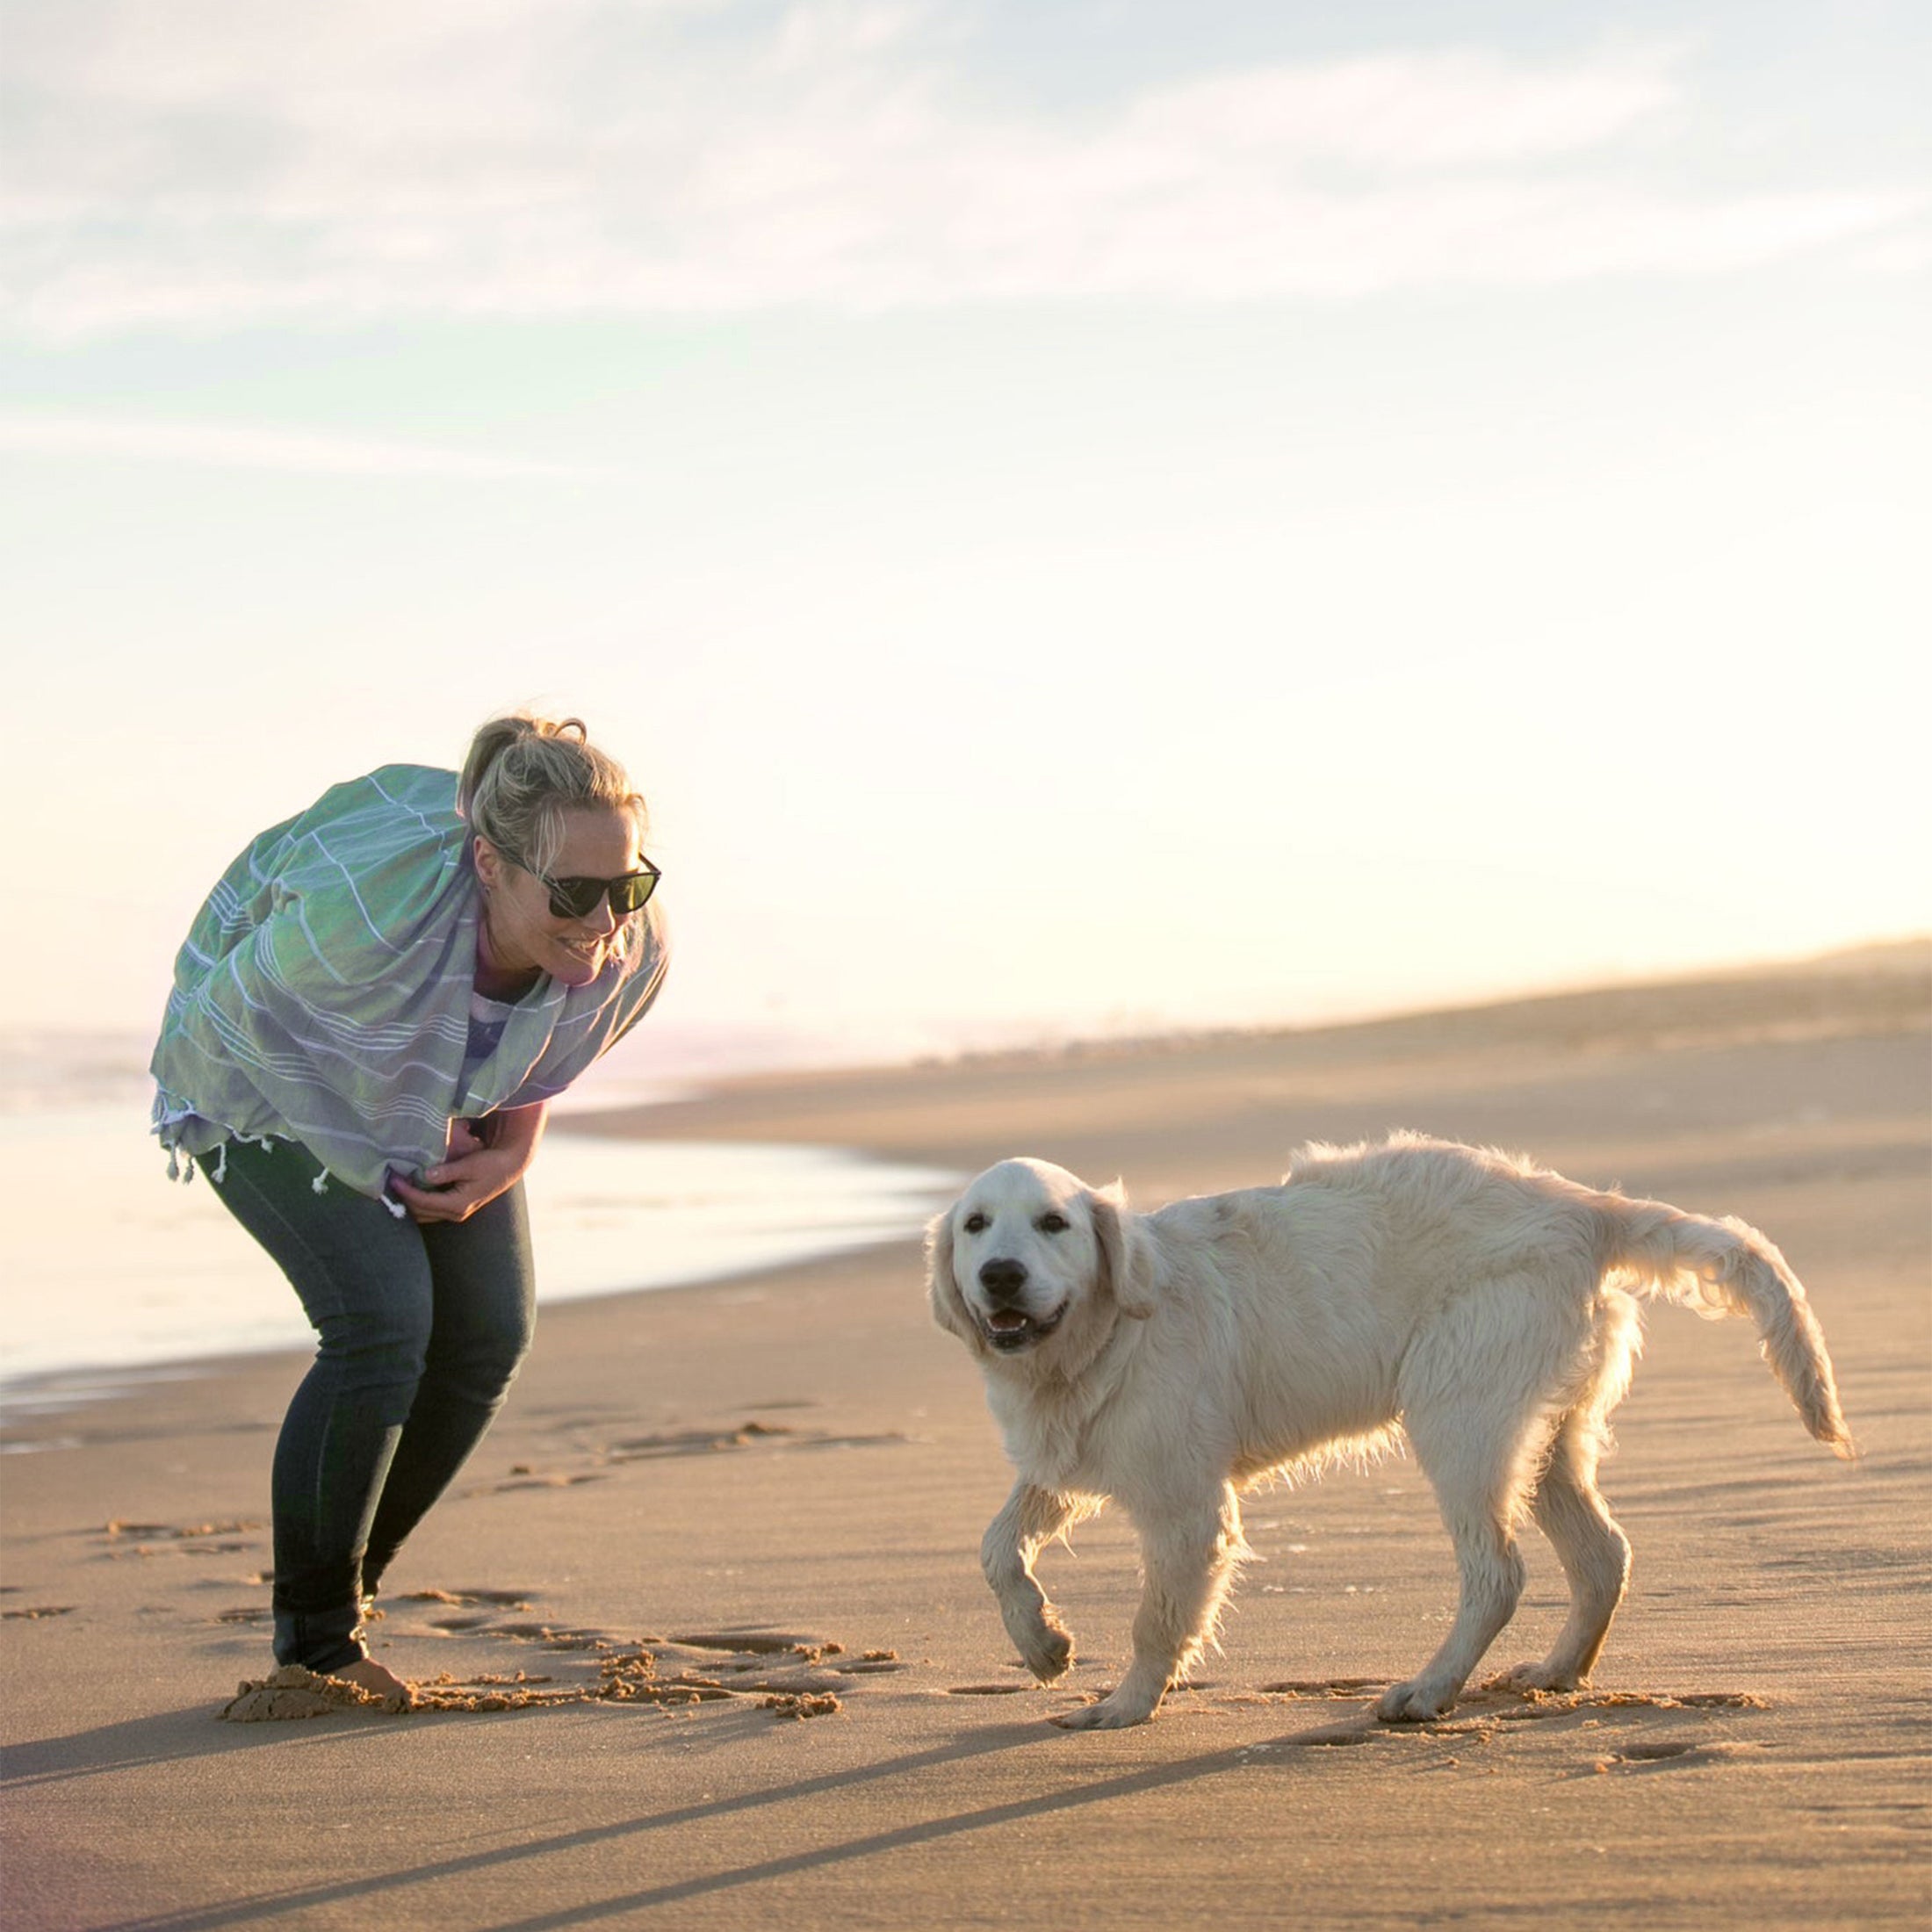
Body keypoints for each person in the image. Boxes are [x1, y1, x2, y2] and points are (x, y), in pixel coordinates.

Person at [151, 714, 668, 1699]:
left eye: (626, 884)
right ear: (490, 865)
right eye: (573, 892)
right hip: (254, 1078)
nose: (605, 920)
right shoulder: (356, 928)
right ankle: (315, 1641)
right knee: (384, 1323)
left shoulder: (633, 941)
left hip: (425, 1092)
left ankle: (348, 1574)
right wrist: (390, 1135)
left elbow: (536, 1047)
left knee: (484, 1335)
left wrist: (511, 1148)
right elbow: (236, 1025)